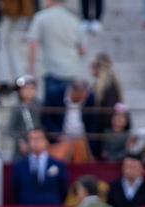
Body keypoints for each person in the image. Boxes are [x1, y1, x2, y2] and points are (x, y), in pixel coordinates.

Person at [27, 0, 86, 133]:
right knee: (68, 115)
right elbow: (83, 50)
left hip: (52, 73)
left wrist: (31, 71)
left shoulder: (41, 17)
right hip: (71, 72)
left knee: (51, 117)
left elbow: (33, 44)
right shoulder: (74, 20)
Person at [11, 128, 69, 205]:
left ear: (46, 142)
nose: (35, 142)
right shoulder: (19, 166)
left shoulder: (58, 165)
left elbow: (63, 189)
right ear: (28, 143)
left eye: (38, 138)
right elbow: (16, 190)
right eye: (32, 139)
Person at [6, 74, 41, 160]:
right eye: (25, 89)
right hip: (22, 146)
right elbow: (11, 128)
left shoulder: (40, 106)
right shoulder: (17, 108)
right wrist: (20, 141)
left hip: (39, 142)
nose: (28, 91)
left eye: (31, 88)